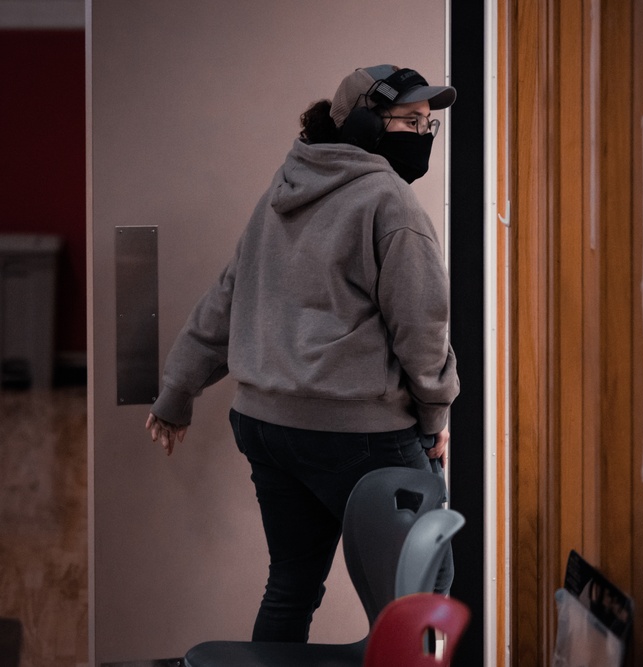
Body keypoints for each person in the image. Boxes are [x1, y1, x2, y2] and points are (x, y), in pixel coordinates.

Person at [144, 64, 460, 643]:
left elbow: (226, 299)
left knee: (291, 584)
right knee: (423, 588)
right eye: (411, 121)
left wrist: (176, 393)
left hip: (267, 426)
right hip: (355, 432)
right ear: (367, 124)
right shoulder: (389, 202)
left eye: (429, 123)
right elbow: (423, 329)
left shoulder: (283, 189)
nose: (424, 134)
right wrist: (435, 416)